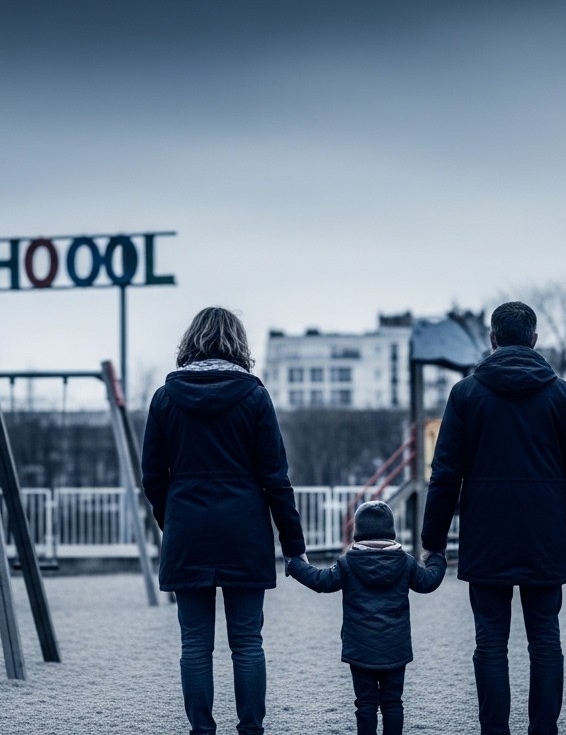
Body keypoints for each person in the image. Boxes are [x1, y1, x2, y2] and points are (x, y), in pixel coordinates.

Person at [420, 300, 566, 735]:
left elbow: (445, 474)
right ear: (535, 340)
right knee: (545, 640)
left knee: (490, 642)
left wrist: (433, 540)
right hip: (545, 535)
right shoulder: (564, 396)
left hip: (487, 535)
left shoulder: (466, 394)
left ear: (492, 340)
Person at [141, 306, 308, 735]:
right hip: (245, 531)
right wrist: (293, 545)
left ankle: (202, 730)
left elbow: (152, 478)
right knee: (248, 642)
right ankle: (251, 729)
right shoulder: (254, 397)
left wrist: (172, 520)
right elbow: (276, 478)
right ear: (237, 343)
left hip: (189, 531)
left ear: (190, 341)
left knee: (194, 644)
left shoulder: (164, 399)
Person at [286, 501, 447, 735]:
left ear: (357, 533)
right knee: (393, 702)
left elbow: (320, 581)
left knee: (365, 704)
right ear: (391, 531)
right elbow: (429, 581)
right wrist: (437, 557)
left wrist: (294, 564)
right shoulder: (406, 562)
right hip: (395, 647)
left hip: (360, 649)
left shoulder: (347, 563)